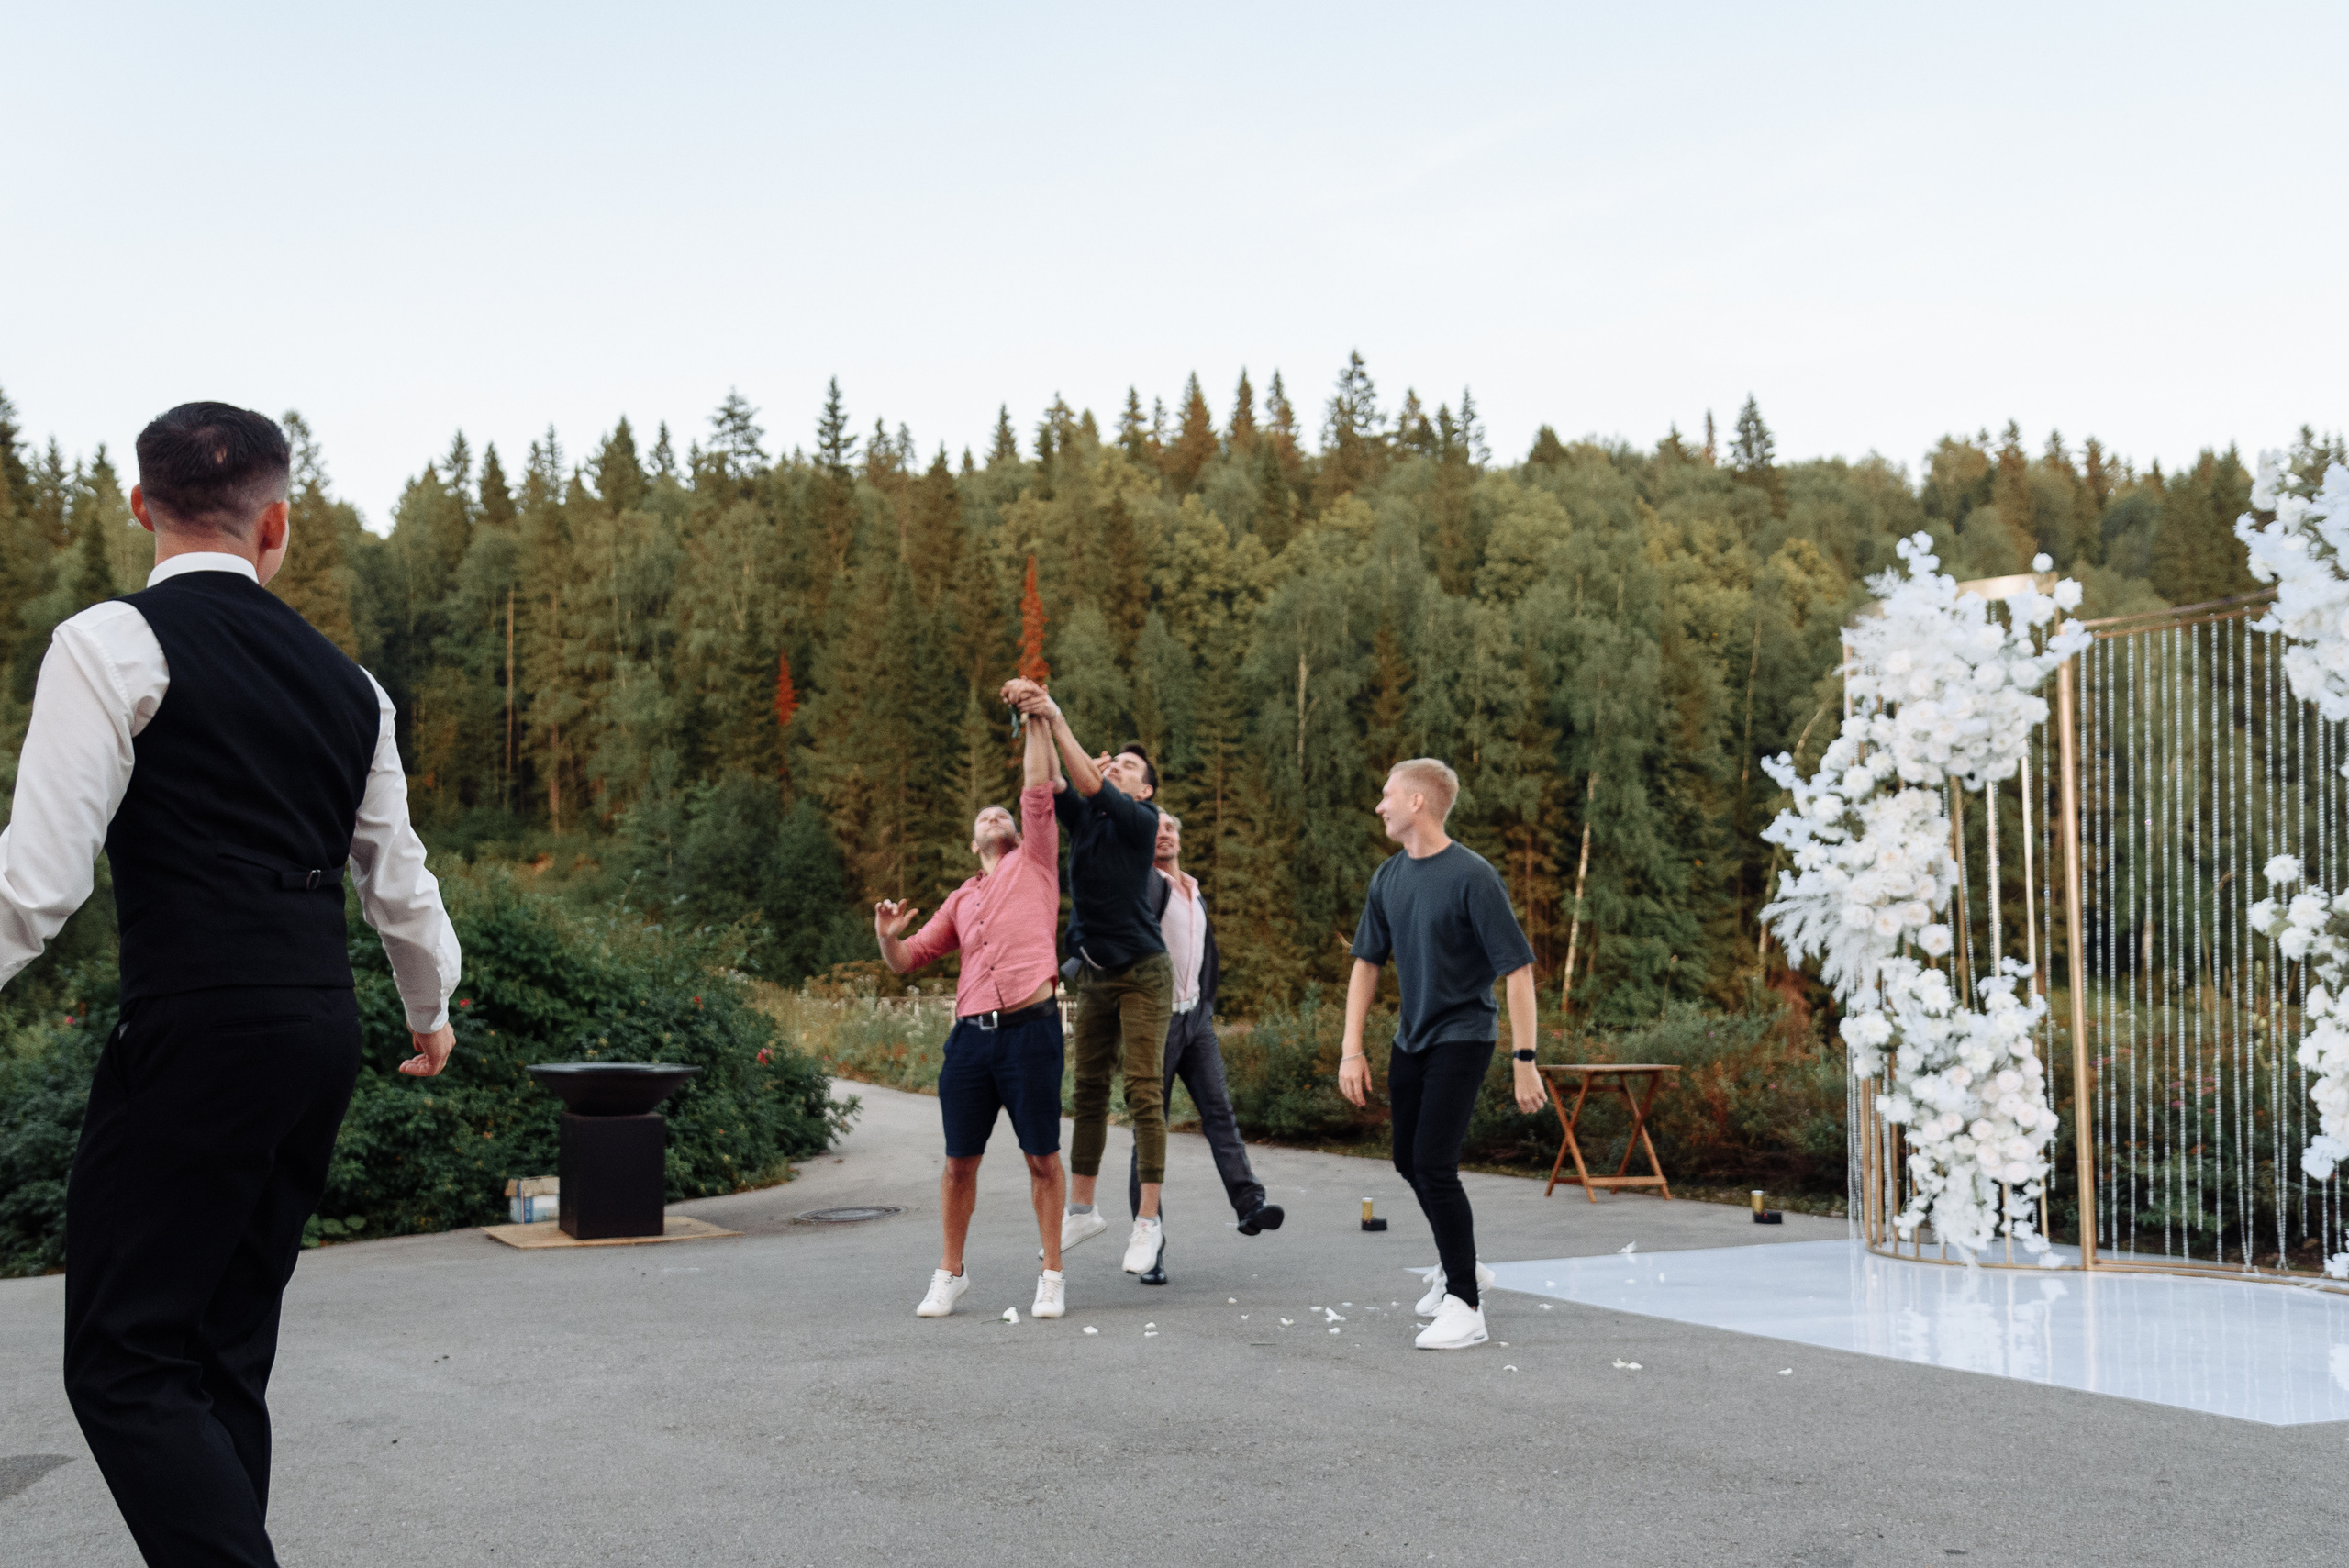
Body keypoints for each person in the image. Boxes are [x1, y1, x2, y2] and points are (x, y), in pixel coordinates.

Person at [0, 403, 463, 1566]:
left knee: (121, 1358)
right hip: (319, 1028)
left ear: (142, 505)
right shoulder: (351, 684)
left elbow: (36, 884)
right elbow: (399, 882)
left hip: (199, 1020)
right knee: (220, 1353)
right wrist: (429, 1005)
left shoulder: (109, 644)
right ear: (278, 522)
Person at [1338, 758, 1545, 1351]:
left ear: (1418, 802)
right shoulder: (1388, 877)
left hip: (1464, 1034)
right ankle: (1465, 1264)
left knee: (1433, 1163)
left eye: (1387, 794)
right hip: (1412, 1038)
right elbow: (1366, 965)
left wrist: (1524, 1057)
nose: (1380, 805)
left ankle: (1466, 1303)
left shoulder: (1473, 876)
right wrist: (1352, 1049)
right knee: (1407, 1158)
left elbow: (1517, 970)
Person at [873, 698, 1068, 1320]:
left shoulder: (1035, 860)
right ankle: (950, 1272)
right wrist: (885, 935)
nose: (996, 815)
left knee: (1042, 1158)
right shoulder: (963, 897)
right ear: (972, 840)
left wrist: (1038, 717)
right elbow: (909, 958)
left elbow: (1037, 789)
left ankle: (1052, 1273)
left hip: (1032, 1031)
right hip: (972, 1041)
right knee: (959, 1162)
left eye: (1002, 812)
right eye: (986, 815)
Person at [999, 677, 1171, 1280]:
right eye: (1116, 761)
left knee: (1143, 1089)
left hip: (1144, 972)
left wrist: (1056, 713)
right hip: (1094, 972)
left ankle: (1147, 1223)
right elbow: (1049, 783)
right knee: (1089, 1089)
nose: (1117, 767)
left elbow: (1091, 782)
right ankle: (1082, 1208)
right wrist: (1034, 716)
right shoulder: (1089, 818)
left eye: (1130, 765)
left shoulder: (1139, 820)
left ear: (1144, 788)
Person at [1122, 810, 1282, 1283]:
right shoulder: (1146, 886)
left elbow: (1203, 953)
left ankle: (1249, 1204)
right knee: (1151, 1132)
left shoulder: (1194, 889)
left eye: (1170, 826)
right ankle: (1151, 1246)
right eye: (1154, 828)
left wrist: (1205, 1004)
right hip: (1154, 1026)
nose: (1164, 832)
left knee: (1220, 1112)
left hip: (1195, 1020)